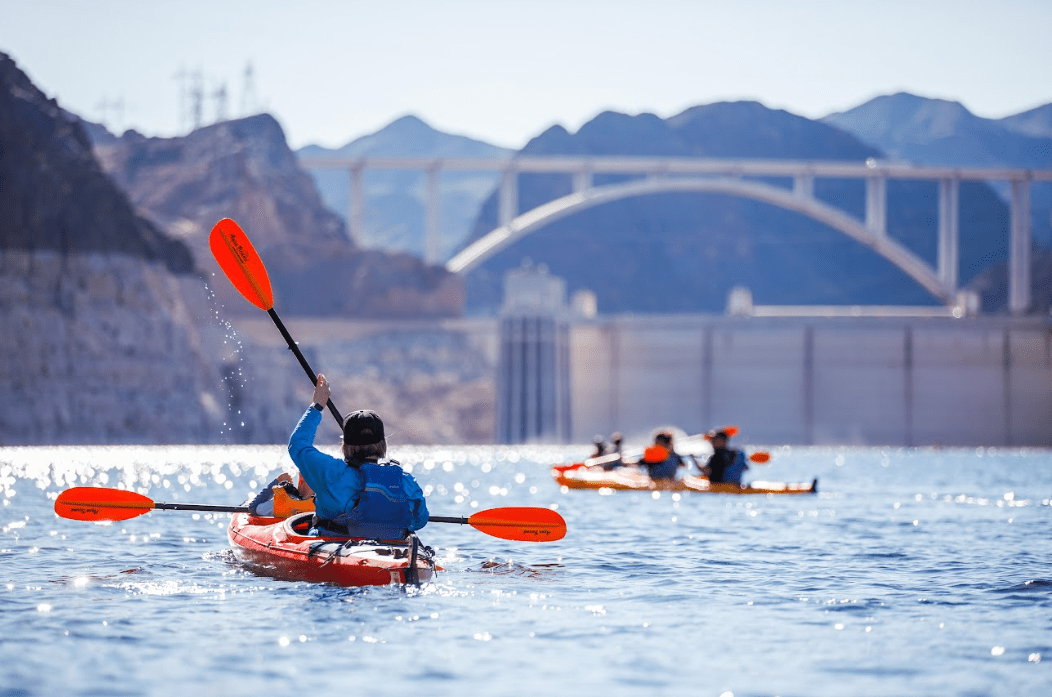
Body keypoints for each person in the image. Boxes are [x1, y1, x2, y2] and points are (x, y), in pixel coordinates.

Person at [287, 374, 429, 539]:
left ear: (345, 446)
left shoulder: (330, 473)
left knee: (311, 529)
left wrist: (317, 405)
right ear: (383, 445)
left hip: (336, 548)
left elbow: (297, 444)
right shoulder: (405, 481)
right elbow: (420, 521)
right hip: (392, 549)